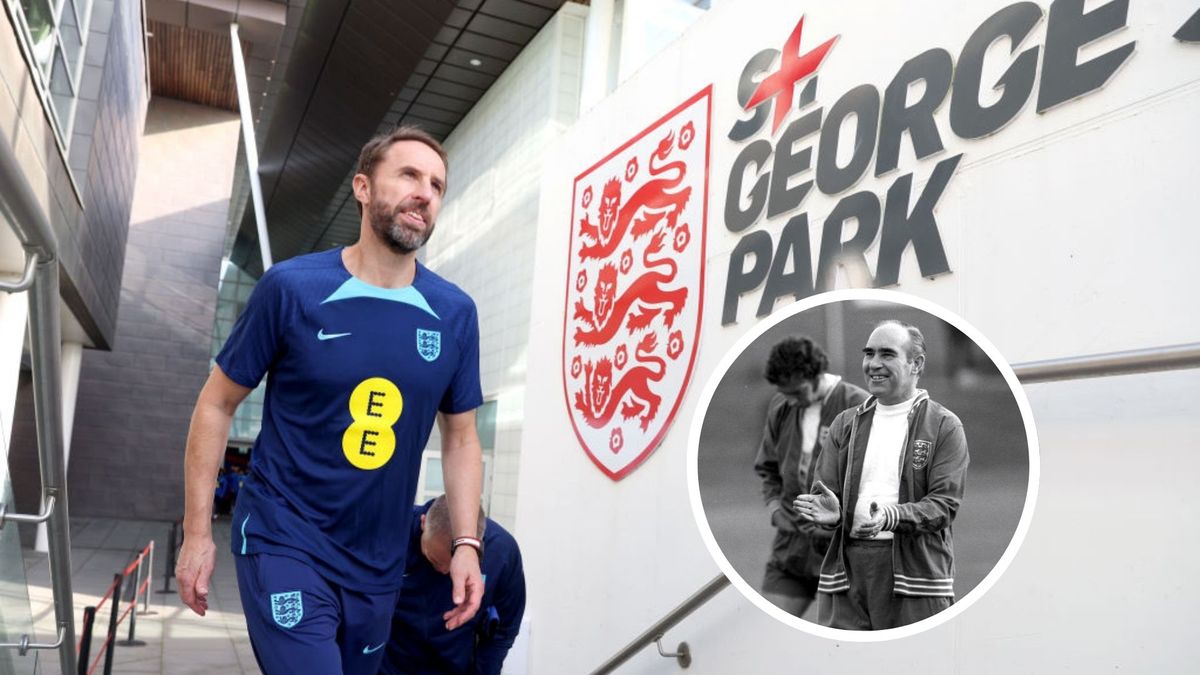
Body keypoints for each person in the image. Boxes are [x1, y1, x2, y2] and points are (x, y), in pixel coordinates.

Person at [175, 126, 486, 674]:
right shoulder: (291, 288)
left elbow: (460, 438)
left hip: (377, 564)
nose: (425, 193)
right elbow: (216, 403)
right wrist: (197, 533)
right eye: (409, 175)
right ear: (362, 188)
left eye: (436, 184)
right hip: (284, 536)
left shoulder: (455, 313)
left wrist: (466, 543)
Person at [794, 320, 968, 630]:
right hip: (845, 578)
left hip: (917, 579)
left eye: (887, 354)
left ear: (916, 364)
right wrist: (831, 516)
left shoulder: (944, 425)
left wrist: (890, 516)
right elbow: (825, 497)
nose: (874, 364)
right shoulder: (843, 424)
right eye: (869, 353)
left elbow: (944, 506)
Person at [753, 336, 866, 617]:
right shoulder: (782, 406)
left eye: (797, 391)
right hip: (792, 542)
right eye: (785, 392)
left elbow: (877, 478)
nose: (791, 399)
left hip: (844, 546)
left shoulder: (858, 404)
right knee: (771, 626)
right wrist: (775, 507)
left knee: (842, 632)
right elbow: (767, 467)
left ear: (816, 375)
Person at [381, 495, 525, 675]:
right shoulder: (393, 534)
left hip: (454, 665)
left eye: (451, 568)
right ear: (424, 523)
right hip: (389, 662)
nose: (442, 570)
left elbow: (503, 632)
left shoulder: (502, 553)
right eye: (433, 559)